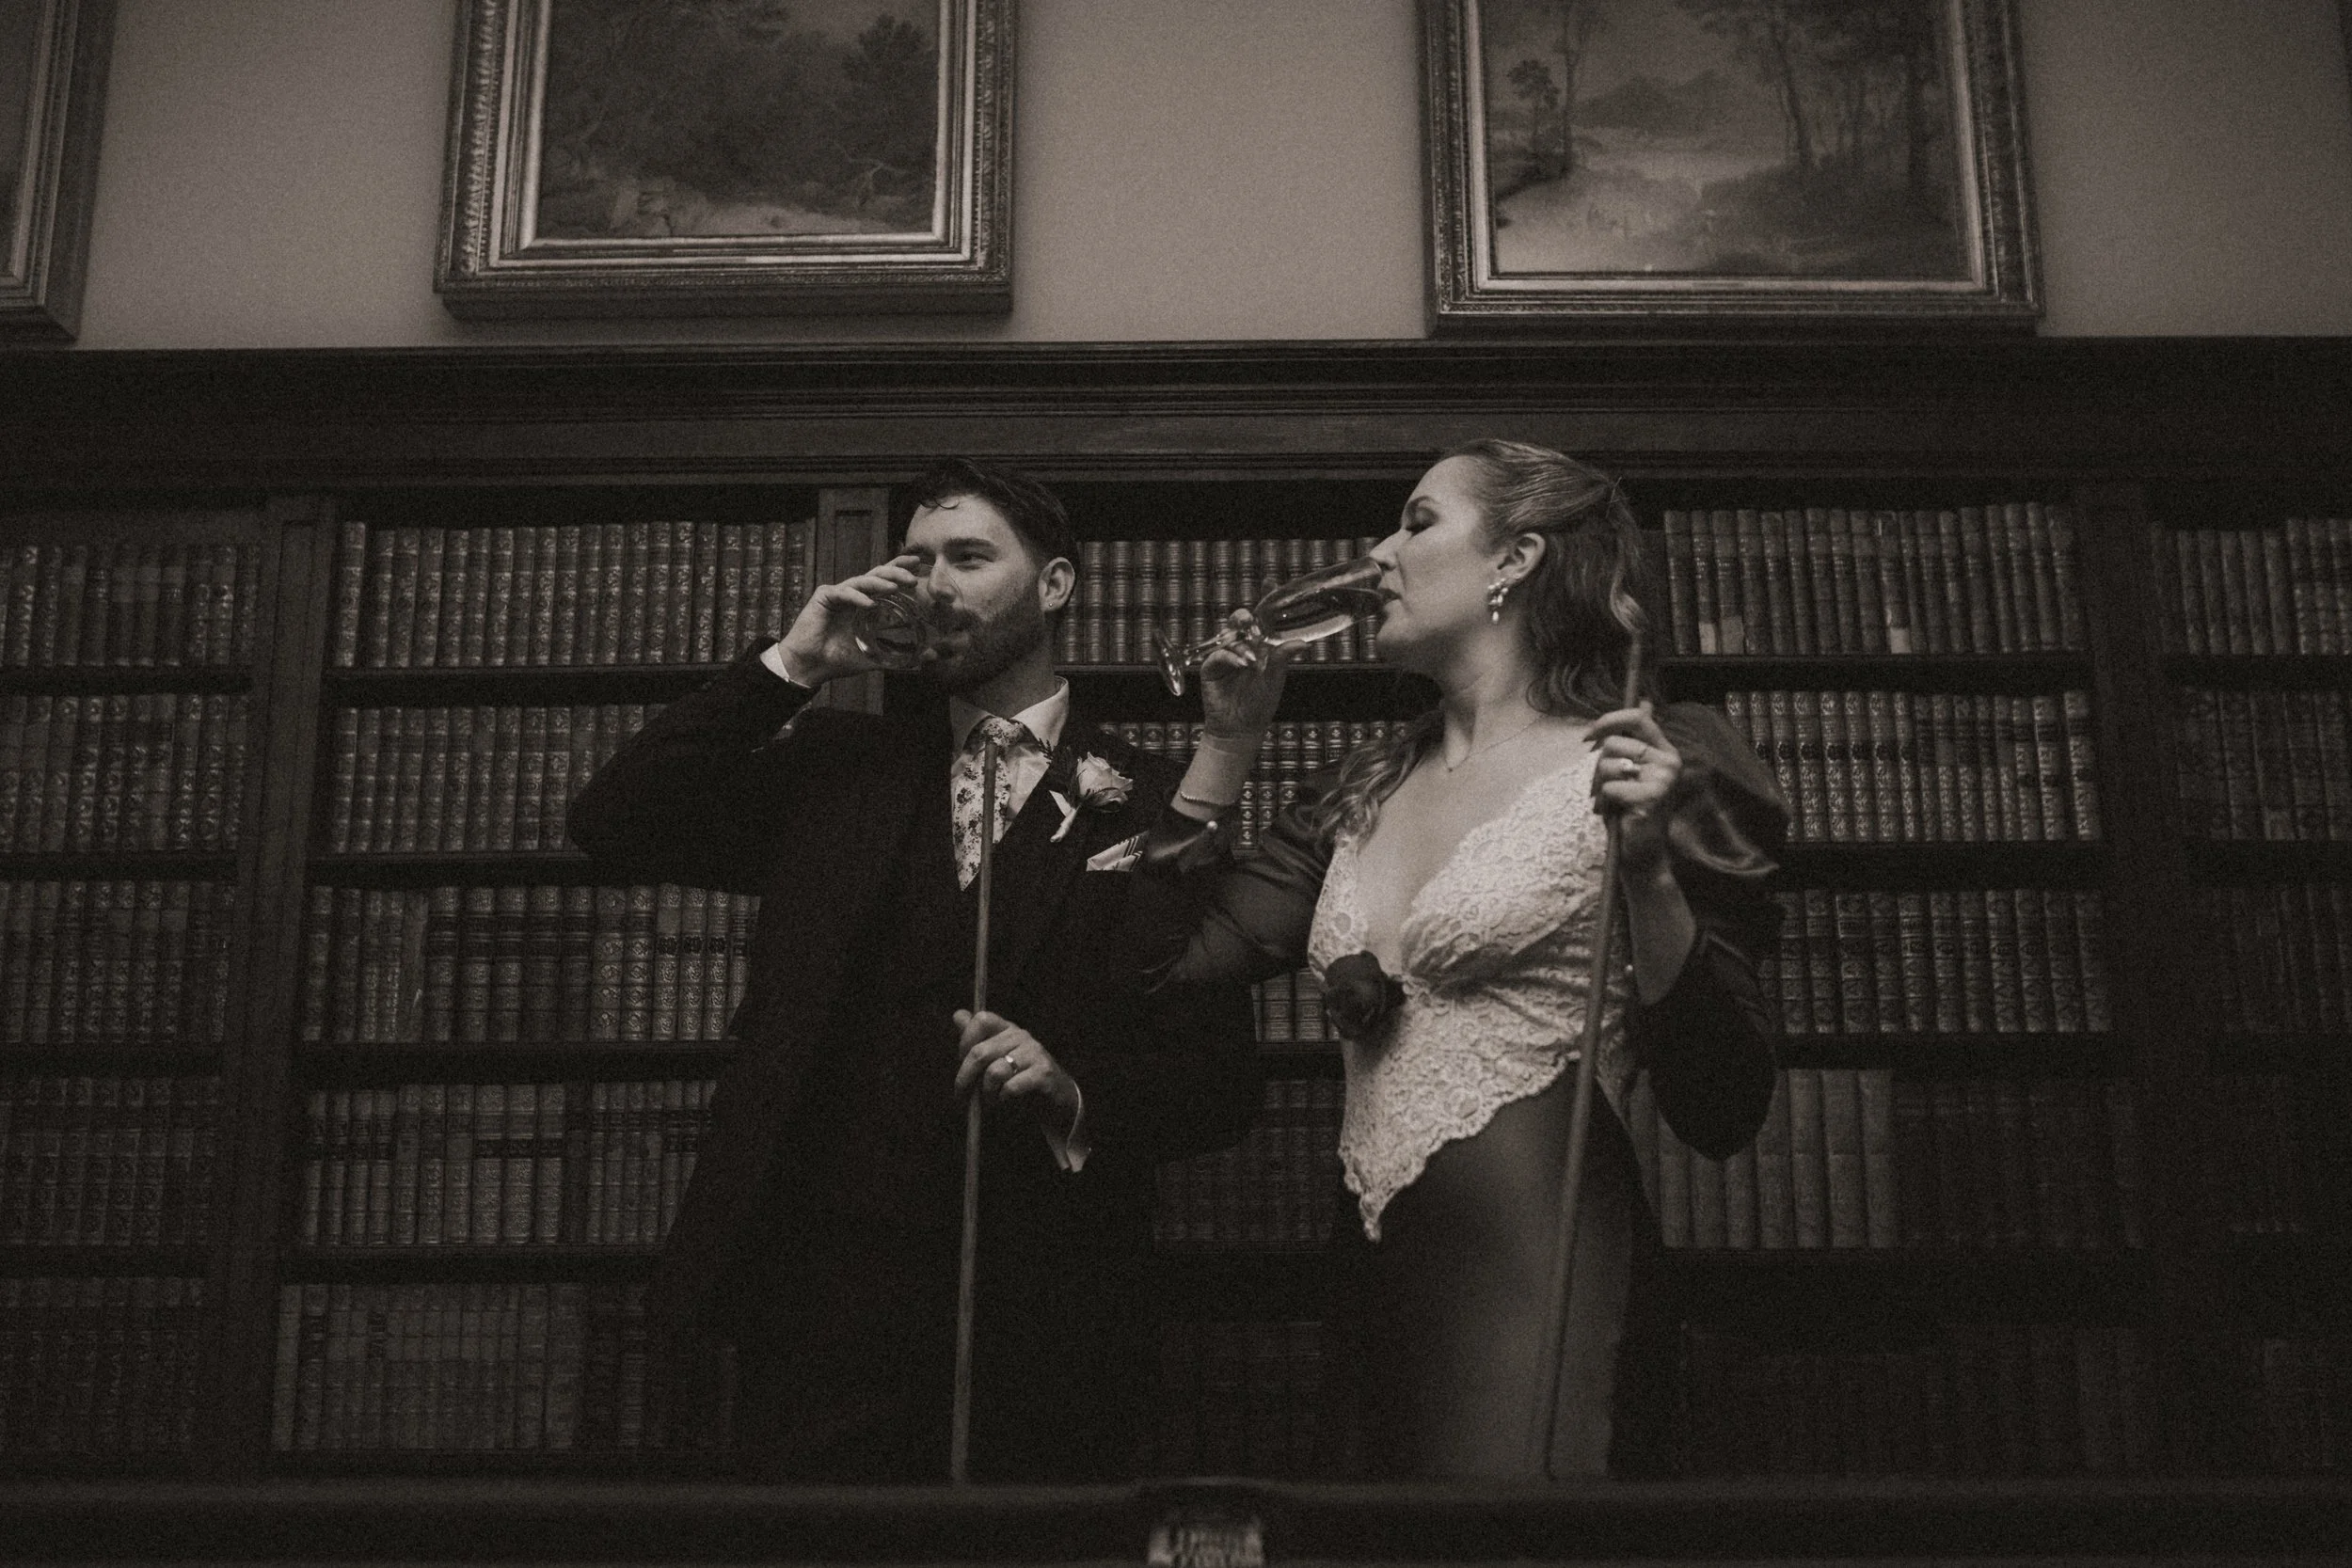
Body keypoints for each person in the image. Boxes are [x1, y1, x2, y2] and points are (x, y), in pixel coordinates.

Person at [567, 458, 1261, 1482]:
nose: (932, 582)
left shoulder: (1162, 803)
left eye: (968, 557)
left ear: (1055, 584)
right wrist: (792, 666)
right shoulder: (834, 767)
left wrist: (1074, 1092)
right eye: (914, 559)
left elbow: (1217, 1082)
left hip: (1050, 1304)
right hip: (816, 1298)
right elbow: (615, 825)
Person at [1130, 439, 1788, 1479]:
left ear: (1513, 560)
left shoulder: (1652, 755)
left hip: (1548, 1263)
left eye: (1416, 520)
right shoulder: (1358, 787)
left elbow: (1723, 1104)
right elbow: (1160, 968)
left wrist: (1654, 874)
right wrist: (1227, 742)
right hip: (1369, 1266)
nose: (1378, 551)